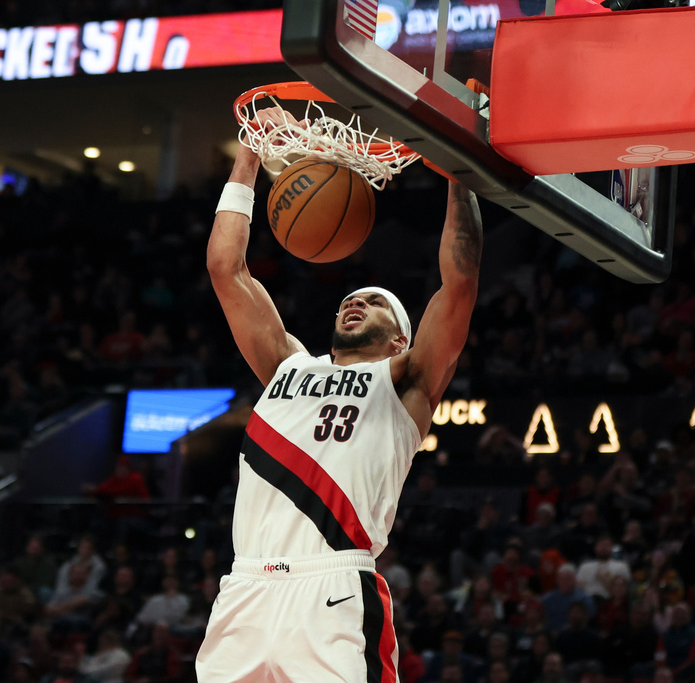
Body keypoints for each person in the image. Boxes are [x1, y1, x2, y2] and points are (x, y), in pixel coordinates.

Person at [195, 108, 483, 682]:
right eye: (350, 298)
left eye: (373, 301)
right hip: (245, 587)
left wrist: (459, 169)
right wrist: (251, 153)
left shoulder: (407, 382)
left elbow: (461, 282)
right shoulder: (287, 365)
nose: (356, 302)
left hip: (334, 588)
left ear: (400, 336)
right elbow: (226, 269)